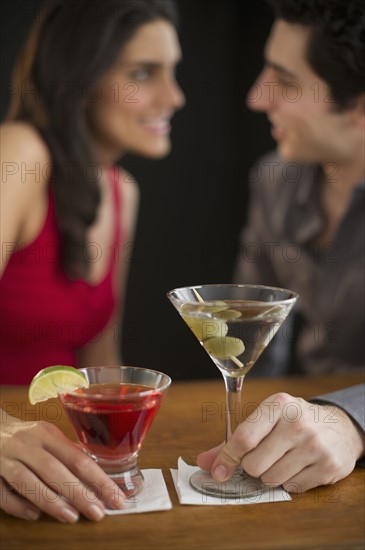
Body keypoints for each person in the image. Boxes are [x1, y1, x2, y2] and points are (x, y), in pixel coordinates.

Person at [0, 0, 184, 522]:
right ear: (80, 74)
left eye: (173, 72)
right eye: (144, 73)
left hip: (64, 470)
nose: (174, 97)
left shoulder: (122, 191)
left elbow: (101, 359)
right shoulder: (18, 153)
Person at [198, 0, 365, 493]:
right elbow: (251, 341)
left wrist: (351, 422)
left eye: (285, 82)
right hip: (298, 474)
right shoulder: (274, 179)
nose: (256, 97)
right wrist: (247, 442)